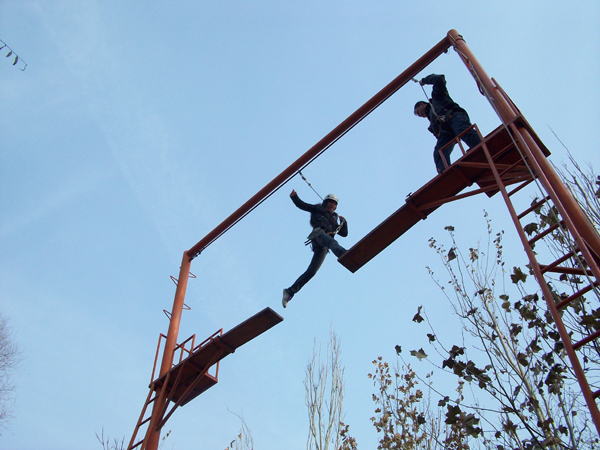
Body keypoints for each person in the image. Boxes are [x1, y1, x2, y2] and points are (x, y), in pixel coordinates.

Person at [282, 190, 348, 308]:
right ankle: (343, 254)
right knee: (332, 242)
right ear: (326, 202)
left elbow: (344, 233)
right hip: (319, 235)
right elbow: (302, 205)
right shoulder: (318, 209)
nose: (332, 205)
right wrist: (294, 197)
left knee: (312, 271)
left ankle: (290, 291)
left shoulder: (333, 219)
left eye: (334, 204)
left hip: (324, 245)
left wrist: (344, 222)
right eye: (330, 202)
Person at [414, 74, 481, 173]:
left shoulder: (437, 98)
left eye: (419, 112)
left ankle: (480, 147)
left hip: (453, 116)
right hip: (446, 131)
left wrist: (424, 80)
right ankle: (445, 172)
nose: (421, 115)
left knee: (464, 131)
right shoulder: (433, 123)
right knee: (439, 152)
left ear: (422, 104)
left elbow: (439, 79)